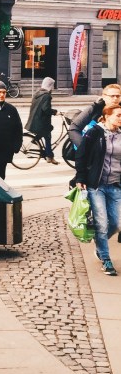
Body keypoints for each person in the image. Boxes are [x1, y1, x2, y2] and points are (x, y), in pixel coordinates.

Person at [74, 103, 121, 276]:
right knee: (101, 223)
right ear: (107, 116)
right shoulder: (95, 132)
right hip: (96, 185)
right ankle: (106, 259)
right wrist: (80, 177)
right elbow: (81, 154)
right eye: (118, 115)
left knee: (117, 224)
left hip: (116, 185)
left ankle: (99, 243)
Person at [67, 83, 121, 152]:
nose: (115, 98)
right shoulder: (94, 109)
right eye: (112, 96)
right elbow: (74, 128)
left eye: (118, 96)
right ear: (104, 96)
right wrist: (84, 148)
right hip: (95, 154)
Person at [25, 76, 58, 164]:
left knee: (44, 135)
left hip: (34, 121)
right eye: (52, 86)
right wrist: (55, 112)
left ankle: (38, 144)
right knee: (48, 137)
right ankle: (49, 156)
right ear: (49, 86)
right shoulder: (47, 96)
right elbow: (45, 109)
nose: (53, 88)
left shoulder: (37, 93)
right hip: (41, 123)